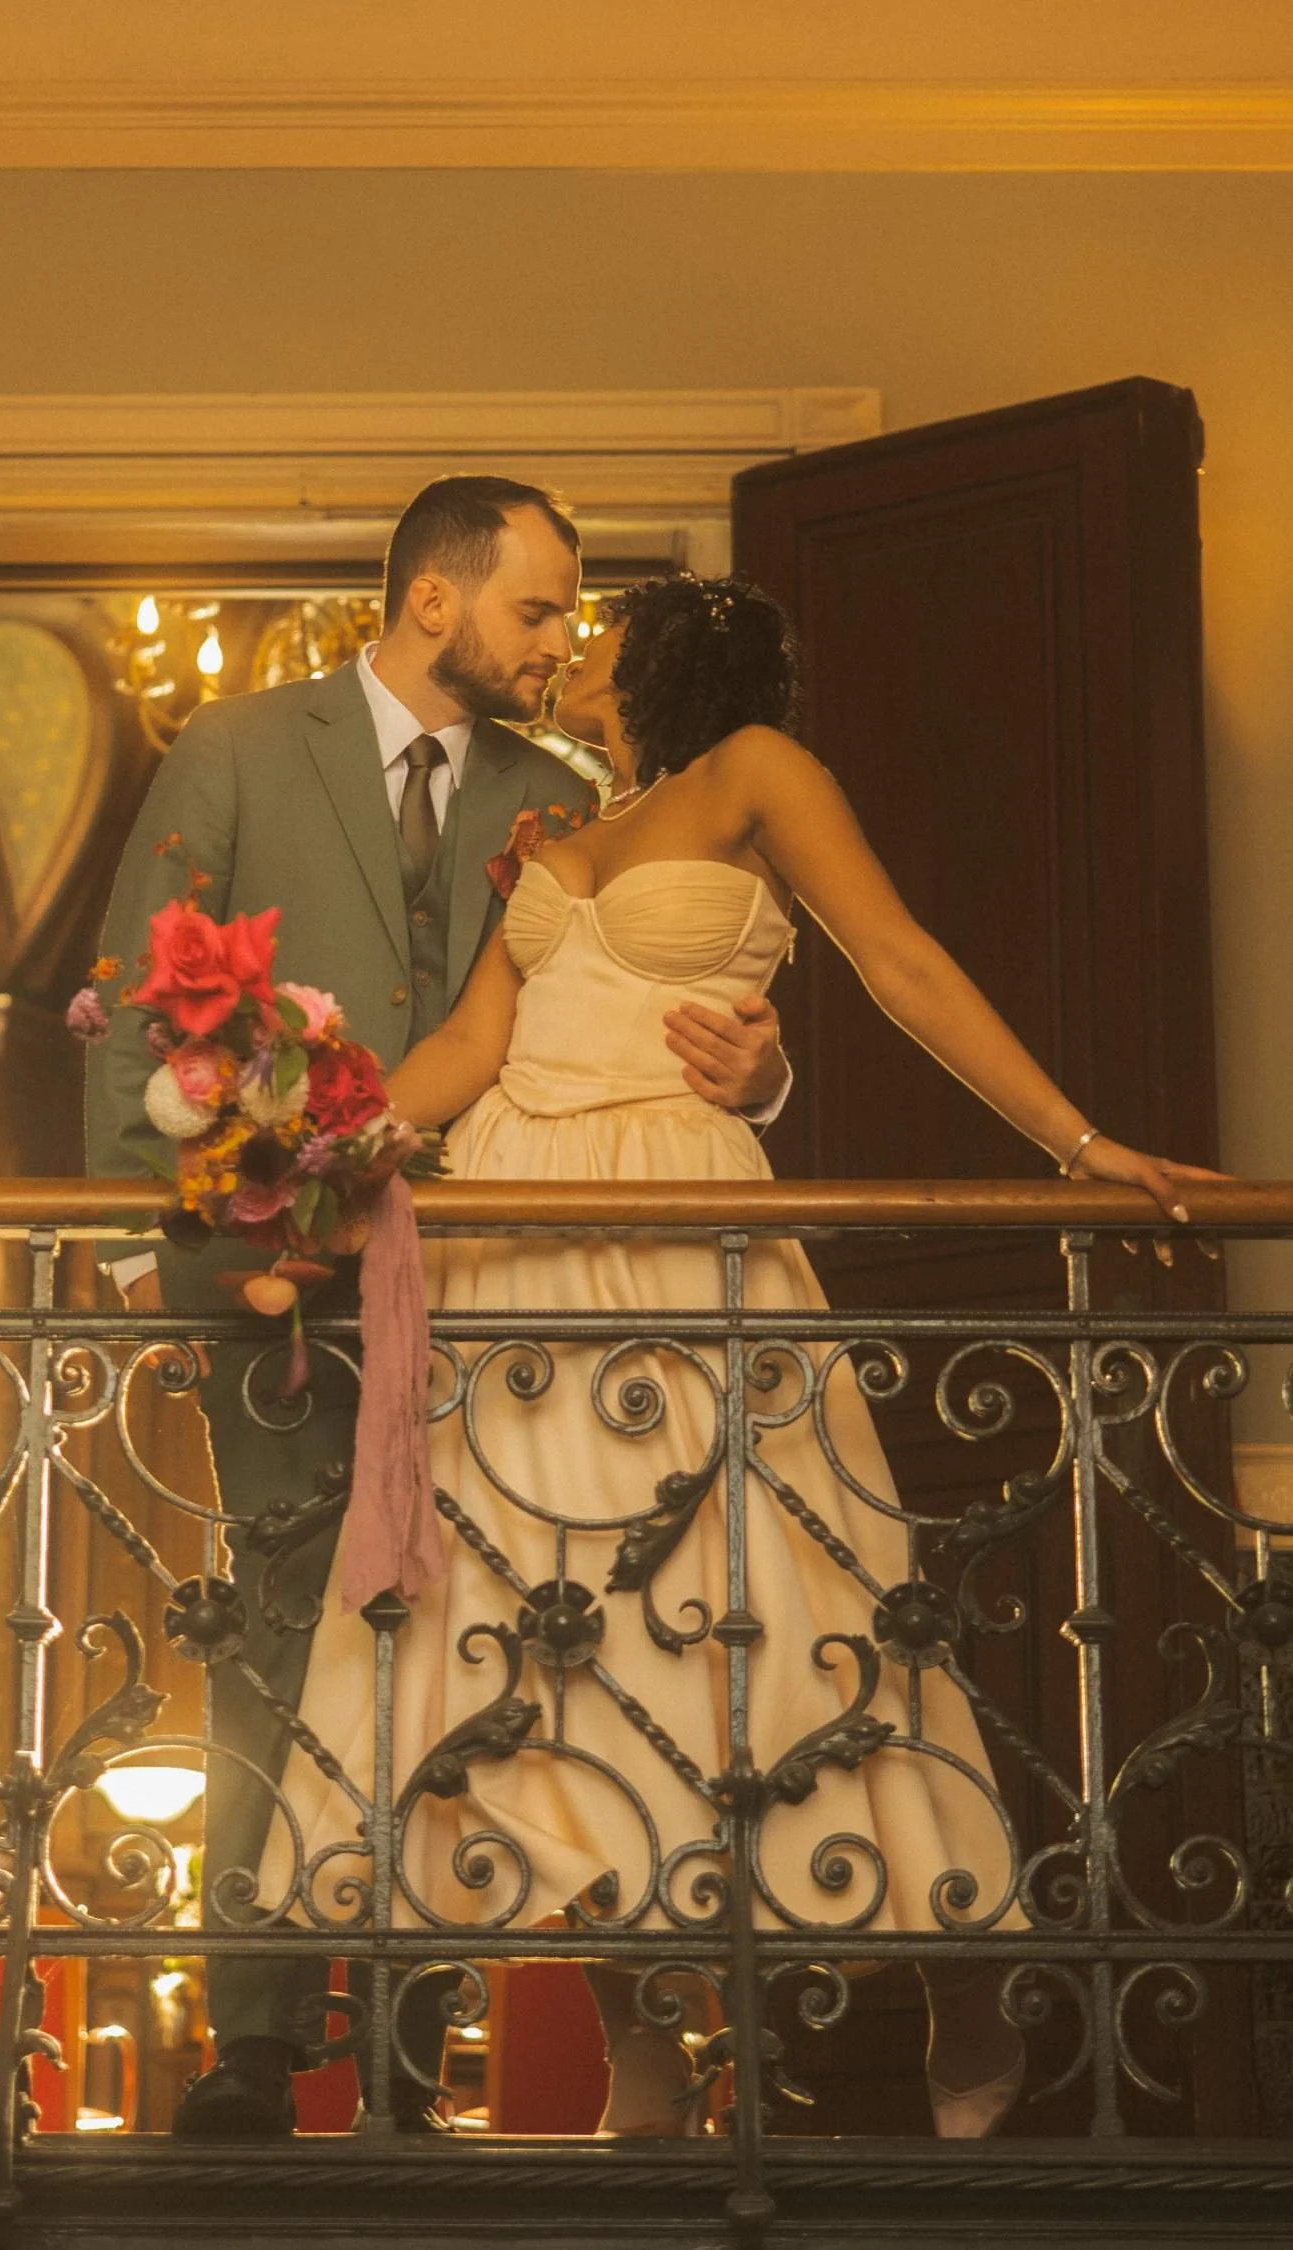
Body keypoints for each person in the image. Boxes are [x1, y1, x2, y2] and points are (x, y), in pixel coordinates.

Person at [262, 570, 1220, 2140]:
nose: (568, 647)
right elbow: (466, 1047)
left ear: (672, 646)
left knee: (784, 1597)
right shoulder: (553, 837)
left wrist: (1081, 1139)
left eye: (596, 622)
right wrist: (312, 1147)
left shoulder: (760, 771)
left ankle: (960, 1972)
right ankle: (646, 2034)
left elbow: (899, 961)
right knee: (547, 1630)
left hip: (678, 1219)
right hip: (518, 1249)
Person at [85, 487, 789, 2139]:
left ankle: (408, 2034)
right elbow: (140, 1008)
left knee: (479, 1646)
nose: (564, 647)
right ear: (429, 601)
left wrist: (765, 1073)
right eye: (539, 613)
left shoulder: (566, 802)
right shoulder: (242, 749)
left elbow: (634, 1013)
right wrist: (202, 1247)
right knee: (284, 1631)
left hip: (493, 1299)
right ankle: (256, 2042)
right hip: (282, 1283)